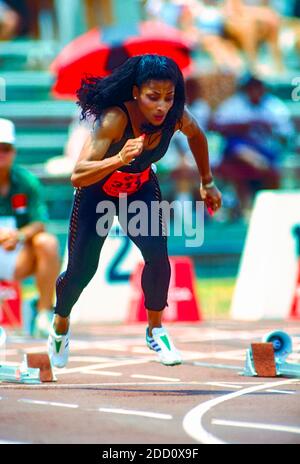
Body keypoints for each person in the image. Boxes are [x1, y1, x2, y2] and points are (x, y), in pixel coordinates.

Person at [47, 54, 222, 368]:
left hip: (138, 189)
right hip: (96, 192)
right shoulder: (115, 119)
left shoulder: (175, 116)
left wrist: (207, 182)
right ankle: (60, 322)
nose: (161, 107)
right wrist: (118, 159)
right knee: (80, 272)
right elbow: (78, 174)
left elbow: (197, 136)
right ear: (136, 92)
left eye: (168, 98)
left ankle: (155, 329)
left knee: (157, 256)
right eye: (152, 97)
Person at [0, 118, 61, 337]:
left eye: (5, 148)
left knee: (48, 242)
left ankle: (44, 314)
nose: (1, 154)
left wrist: (19, 236)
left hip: (18, 254)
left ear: (13, 151)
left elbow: (39, 221)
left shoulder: (27, 181)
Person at [212, 74, 293, 215]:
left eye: (258, 86)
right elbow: (215, 126)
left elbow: (286, 135)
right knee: (238, 154)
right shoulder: (234, 105)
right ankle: (245, 207)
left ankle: (267, 209)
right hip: (238, 153)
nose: (255, 90)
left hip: (266, 149)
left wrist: (270, 128)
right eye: (251, 87)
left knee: (270, 168)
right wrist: (243, 126)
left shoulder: (274, 106)